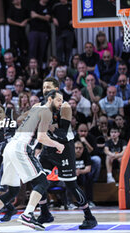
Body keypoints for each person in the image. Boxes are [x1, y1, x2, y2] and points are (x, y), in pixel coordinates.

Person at [0, 90, 64, 231]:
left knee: (12, 191)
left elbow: (18, 120)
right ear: (50, 99)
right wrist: (57, 144)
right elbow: (42, 137)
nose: (61, 103)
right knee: (42, 181)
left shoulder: (36, 107)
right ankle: (28, 214)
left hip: (10, 147)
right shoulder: (47, 112)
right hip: (21, 148)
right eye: (59, 100)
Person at [37, 78, 98, 229]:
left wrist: (48, 126)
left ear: (56, 89)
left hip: (64, 148)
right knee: (38, 180)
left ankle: (89, 217)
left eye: (48, 87)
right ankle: (45, 213)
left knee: (71, 185)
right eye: (43, 87)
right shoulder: (41, 106)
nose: (45, 89)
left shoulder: (64, 106)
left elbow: (63, 133)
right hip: (48, 147)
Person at [52, 0, 74, 65]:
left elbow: (77, 13)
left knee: (68, 48)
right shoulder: (56, 6)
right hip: (59, 30)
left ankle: (67, 64)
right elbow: (51, 15)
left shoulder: (71, 5)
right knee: (59, 47)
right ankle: (60, 64)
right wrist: (53, 18)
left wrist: (74, 20)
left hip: (69, 30)